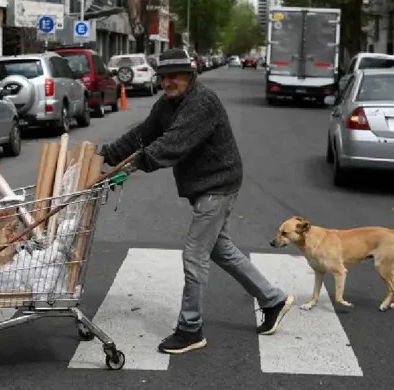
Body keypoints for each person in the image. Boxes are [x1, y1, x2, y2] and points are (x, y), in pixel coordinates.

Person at [99, 47, 294, 355]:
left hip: (218, 184)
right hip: (207, 185)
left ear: (189, 76)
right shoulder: (167, 104)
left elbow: (171, 144)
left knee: (194, 255)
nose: (168, 82)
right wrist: (108, 153)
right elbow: (143, 135)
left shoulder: (201, 103)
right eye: (163, 77)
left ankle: (190, 329)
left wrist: (131, 166)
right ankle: (273, 299)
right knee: (221, 249)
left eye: (175, 76)